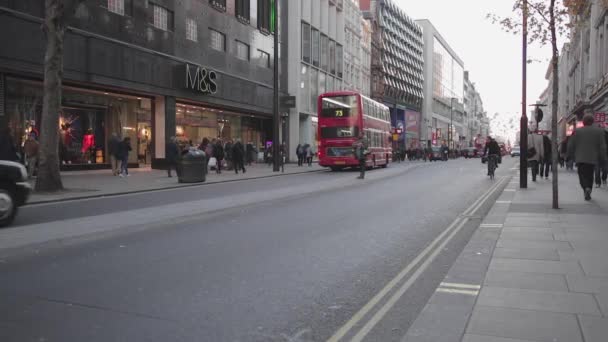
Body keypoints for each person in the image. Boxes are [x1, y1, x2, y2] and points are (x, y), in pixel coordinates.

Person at [568, 114, 607, 200]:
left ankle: (585, 187)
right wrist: (603, 157)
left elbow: (571, 145)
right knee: (590, 174)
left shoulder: (577, 131)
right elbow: (602, 146)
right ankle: (589, 188)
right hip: (593, 157)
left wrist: (570, 155)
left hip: (580, 158)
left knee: (581, 174)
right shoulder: (599, 131)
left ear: (583, 122)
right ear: (592, 122)